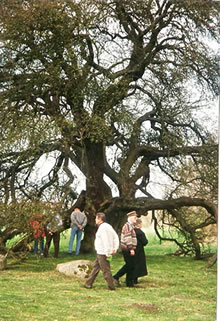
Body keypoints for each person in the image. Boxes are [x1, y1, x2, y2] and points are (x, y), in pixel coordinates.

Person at [83, 212, 119, 290]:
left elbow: (105, 240)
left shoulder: (102, 228)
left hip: (103, 252)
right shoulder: (108, 226)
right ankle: (88, 283)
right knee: (95, 268)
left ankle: (111, 286)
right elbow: (115, 237)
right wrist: (115, 247)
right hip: (101, 252)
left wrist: (107, 252)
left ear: (100, 219)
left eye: (96, 218)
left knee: (106, 270)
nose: (95, 220)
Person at [113, 211, 137, 287]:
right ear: (130, 218)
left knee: (131, 265)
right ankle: (116, 276)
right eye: (134, 217)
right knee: (129, 265)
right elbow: (128, 238)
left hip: (129, 248)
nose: (136, 219)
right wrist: (131, 249)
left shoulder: (131, 226)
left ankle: (129, 283)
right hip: (127, 249)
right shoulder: (127, 226)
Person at [133, 218, 148, 284]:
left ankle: (131, 277)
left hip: (132, 249)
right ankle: (135, 278)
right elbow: (145, 242)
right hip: (139, 250)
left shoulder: (132, 231)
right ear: (138, 224)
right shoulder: (140, 233)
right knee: (138, 264)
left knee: (133, 264)